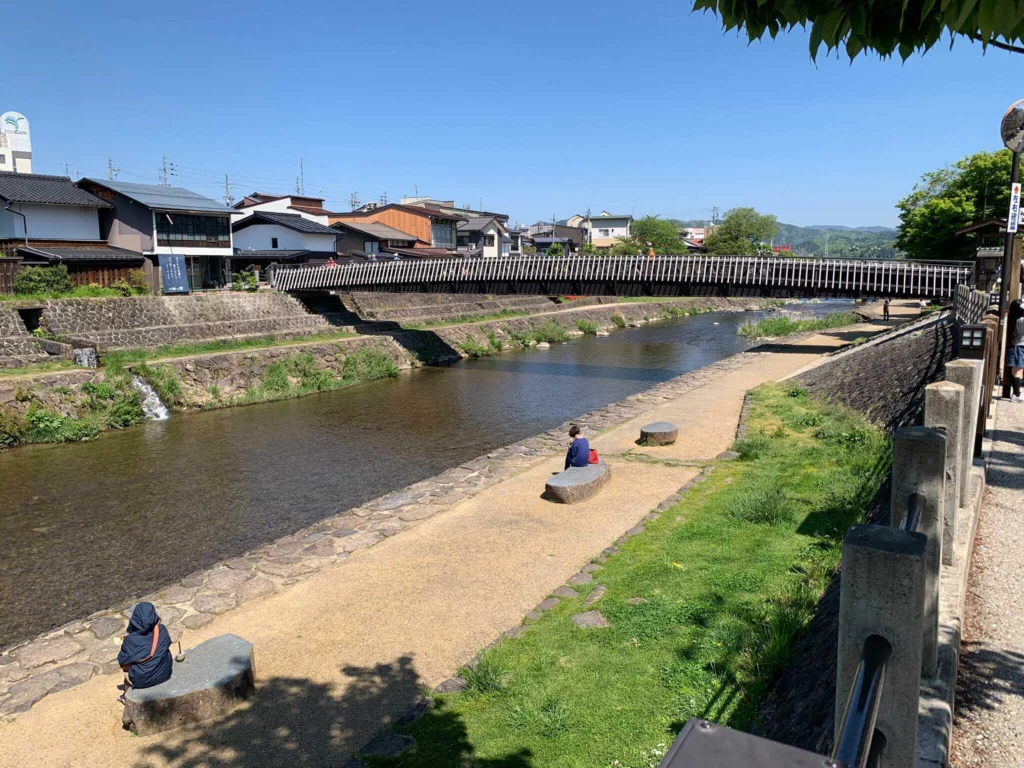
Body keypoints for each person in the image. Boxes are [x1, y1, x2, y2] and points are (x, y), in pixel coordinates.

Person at [117, 602, 172, 703]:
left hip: (142, 680)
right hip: (164, 673)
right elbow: (167, 643)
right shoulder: (162, 630)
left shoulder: (130, 640)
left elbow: (122, 662)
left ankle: (125, 696)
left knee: (127, 667)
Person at [1007, 298, 1024, 403]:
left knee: (1016, 370)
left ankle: (1016, 393)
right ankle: (1016, 394)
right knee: (1018, 371)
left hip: (1015, 346)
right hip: (1020, 347)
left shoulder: (1013, 319)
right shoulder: (1021, 321)